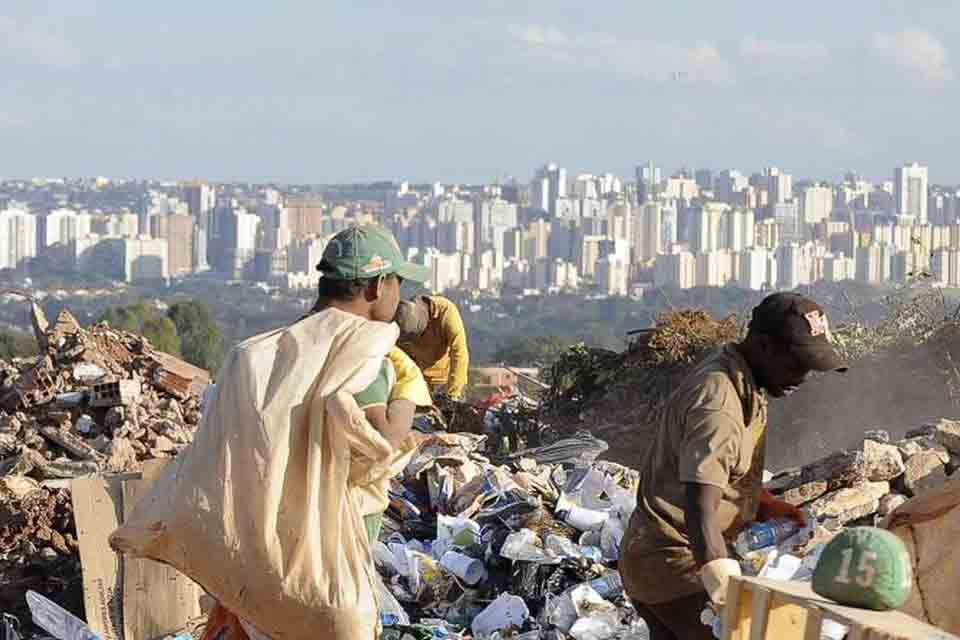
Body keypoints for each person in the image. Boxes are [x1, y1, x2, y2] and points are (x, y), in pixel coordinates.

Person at [619, 292, 847, 640]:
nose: (801, 377)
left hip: (651, 560)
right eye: (796, 363)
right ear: (763, 345)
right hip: (677, 569)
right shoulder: (720, 403)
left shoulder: (740, 376)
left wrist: (768, 505)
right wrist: (726, 595)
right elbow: (700, 508)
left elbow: (720, 475)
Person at [308, 224, 433, 543]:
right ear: (379, 285)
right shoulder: (361, 351)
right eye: (399, 282)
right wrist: (407, 388)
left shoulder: (292, 339)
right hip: (342, 526)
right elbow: (384, 439)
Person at [394, 294, 470, 400]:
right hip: (419, 383)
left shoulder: (446, 312)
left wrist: (453, 394)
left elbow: (459, 353)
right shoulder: (403, 317)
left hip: (447, 382)